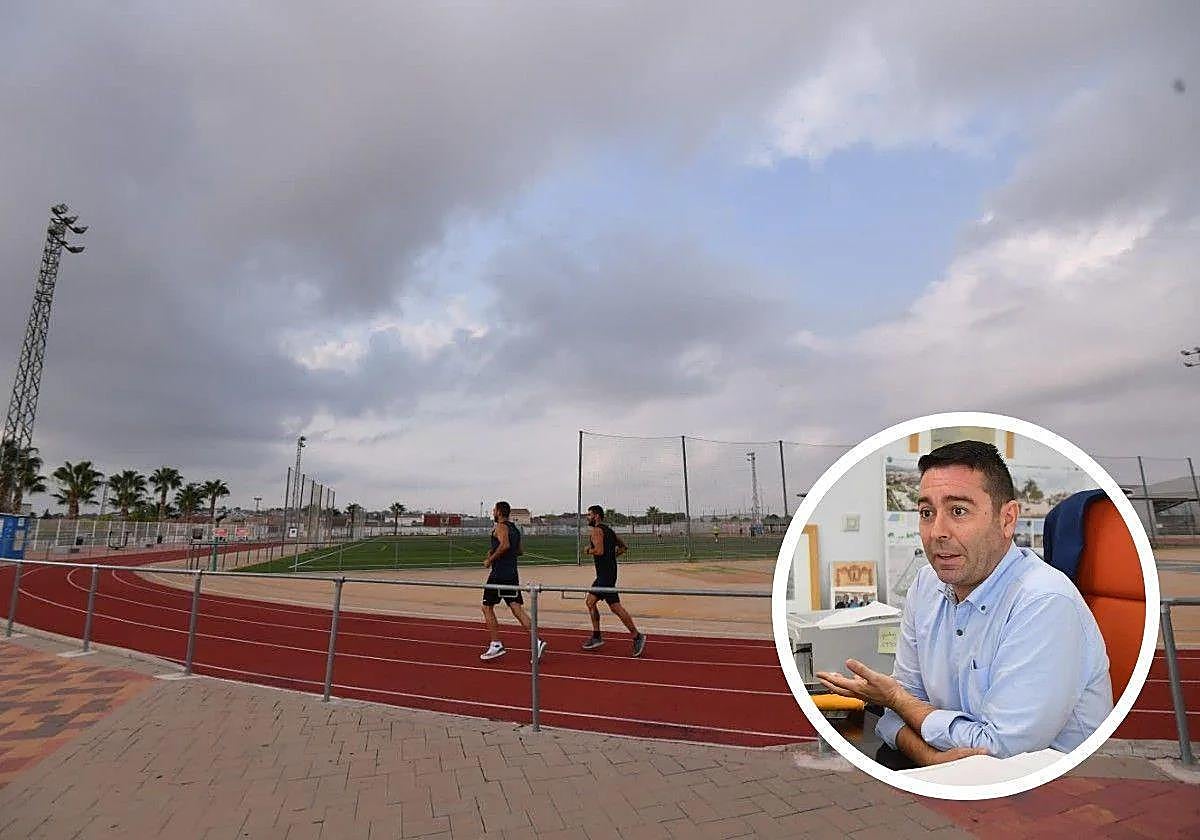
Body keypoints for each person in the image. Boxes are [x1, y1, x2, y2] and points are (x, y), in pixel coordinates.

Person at [816, 440, 1112, 769]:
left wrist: (899, 701)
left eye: (958, 511)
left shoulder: (1044, 602)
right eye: (926, 513)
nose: (937, 532)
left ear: (1007, 519)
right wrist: (926, 751)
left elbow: (999, 751)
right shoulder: (926, 586)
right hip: (955, 777)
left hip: (1057, 788)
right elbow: (894, 714)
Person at [480, 501, 547, 662]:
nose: (493, 512)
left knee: (486, 607)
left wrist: (490, 559)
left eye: (494, 510)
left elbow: (505, 545)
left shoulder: (501, 527)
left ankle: (496, 644)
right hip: (511, 574)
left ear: (500, 512)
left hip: (498, 575)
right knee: (516, 608)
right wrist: (497, 550)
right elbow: (519, 551)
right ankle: (537, 642)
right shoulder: (514, 529)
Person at [581, 505, 645, 657]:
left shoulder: (596, 530)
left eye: (589, 515)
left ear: (596, 516)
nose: (587, 517)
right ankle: (636, 636)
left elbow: (599, 551)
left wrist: (587, 550)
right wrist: (612, 557)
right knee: (615, 607)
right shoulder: (609, 531)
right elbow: (623, 547)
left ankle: (597, 636)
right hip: (609, 574)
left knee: (590, 602)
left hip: (604, 576)